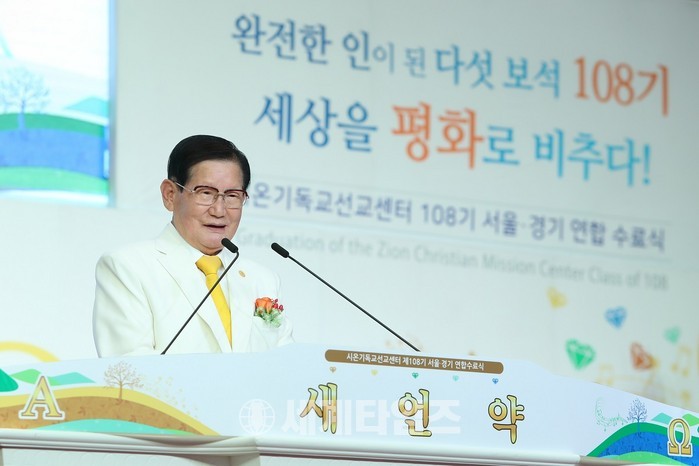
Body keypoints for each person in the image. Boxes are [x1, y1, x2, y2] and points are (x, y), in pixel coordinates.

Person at [93, 135, 293, 357]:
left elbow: (285, 363)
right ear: (170, 195)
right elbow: (128, 366)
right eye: (206, 193)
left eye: (232, 196)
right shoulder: (128, 267)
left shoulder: (262, 279)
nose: (219, 210)